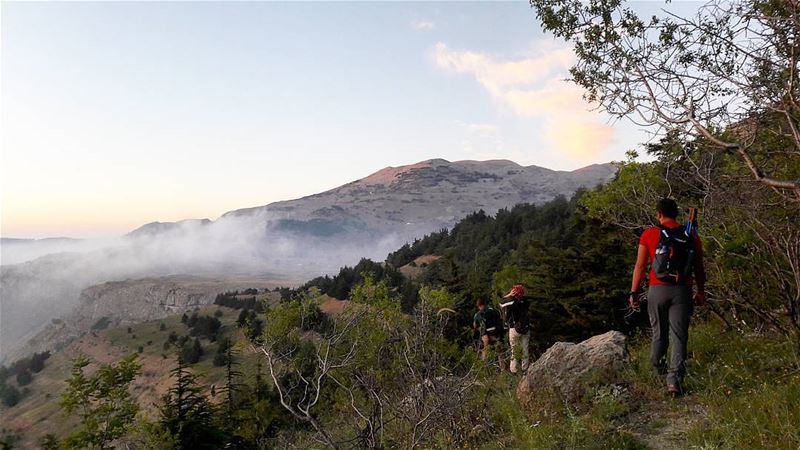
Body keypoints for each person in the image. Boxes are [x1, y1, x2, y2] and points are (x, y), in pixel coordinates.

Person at [629, 198, 706, 396]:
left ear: (659, 214)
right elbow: (698, 265)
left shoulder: (649, 234)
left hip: (657, 289)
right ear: (676, 214)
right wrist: (700, 291)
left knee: (659, 333)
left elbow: (640, 265)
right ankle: (674, 382)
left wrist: (634, 292)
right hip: (682, 289)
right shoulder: (690, 234)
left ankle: (658, 369)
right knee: (679, 336)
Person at [501, 284, 530, 374]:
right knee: (525, 348)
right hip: (525, 328)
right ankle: (525, 368)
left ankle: (514, 370)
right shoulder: (526, 302)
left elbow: (501, 303)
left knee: (514, 349)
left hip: (514, 328)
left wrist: (508, 295)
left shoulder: (511, 302)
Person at [473, 299, 503, 364]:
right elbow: (500, 320)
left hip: (485, 335)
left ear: (479, 306)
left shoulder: (478, 314)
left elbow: (475, 326)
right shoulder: (494, 310)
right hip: (495, 334)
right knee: (499, 350)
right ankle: (502, 368)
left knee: (485, 349)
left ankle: (483, 365)